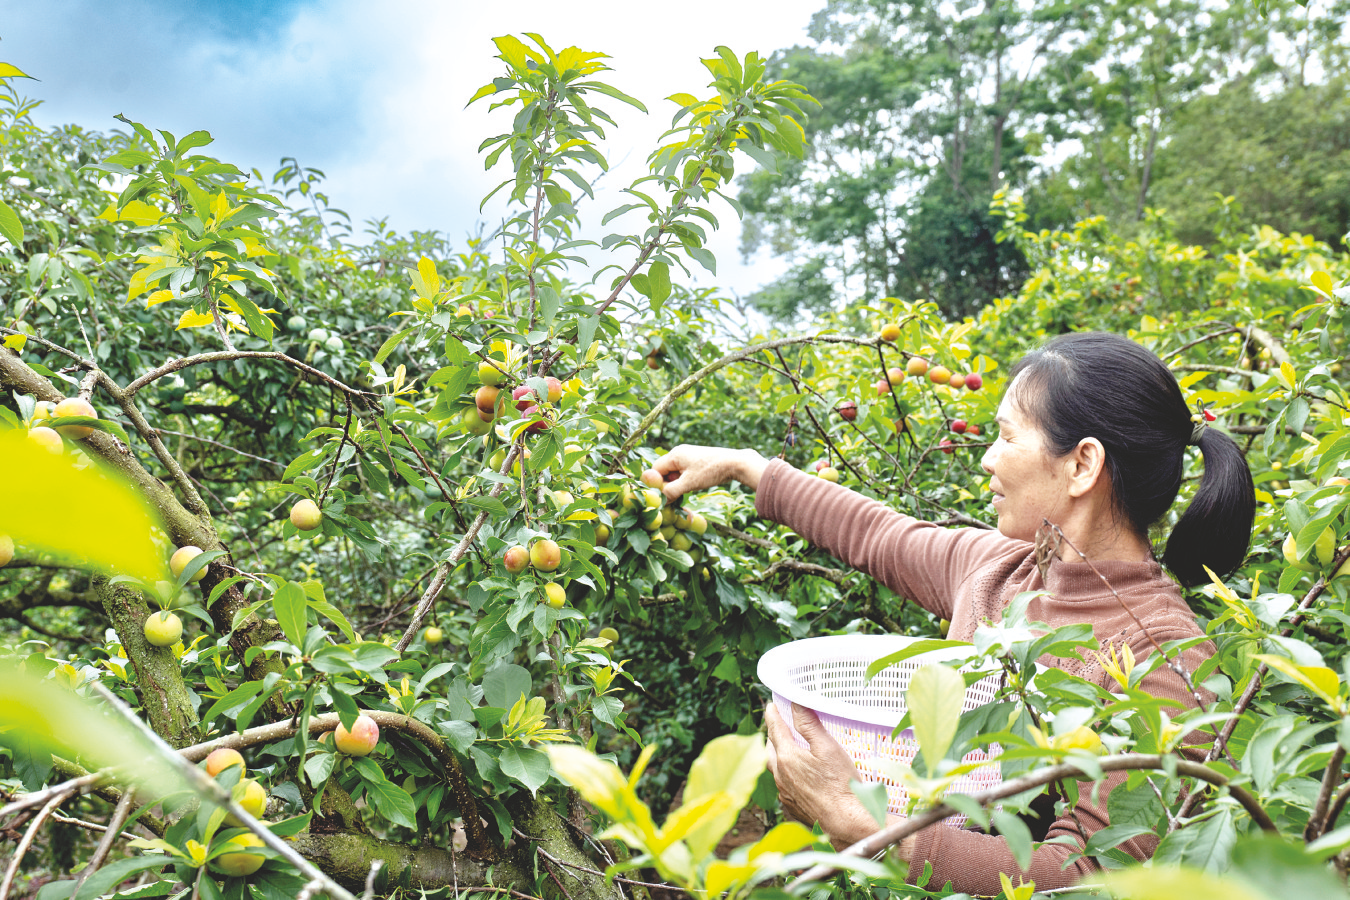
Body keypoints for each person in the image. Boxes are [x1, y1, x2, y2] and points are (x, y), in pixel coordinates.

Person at [652, 332, 1255, 895]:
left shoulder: (1165, 658)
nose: (987, 459)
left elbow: (1088, 876)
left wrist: (859, 824)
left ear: (1081, 465)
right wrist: (743, 466)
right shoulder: (1001, 570)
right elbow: (878, 533)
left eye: (1007, 437)